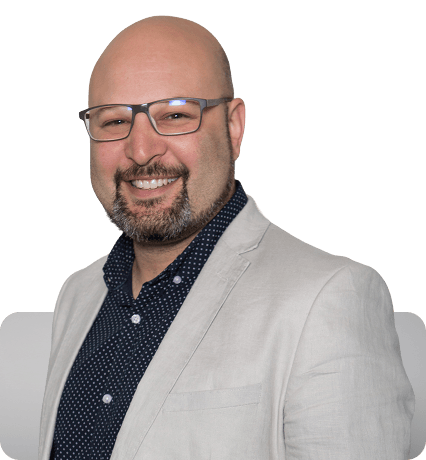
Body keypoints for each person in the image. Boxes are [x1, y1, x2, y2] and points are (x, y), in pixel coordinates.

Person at [39, 15, 415, 460]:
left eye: (175, 115)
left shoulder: (330, 297)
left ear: (234, 127)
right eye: (114, 121)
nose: (141, 150)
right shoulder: (77, 295)